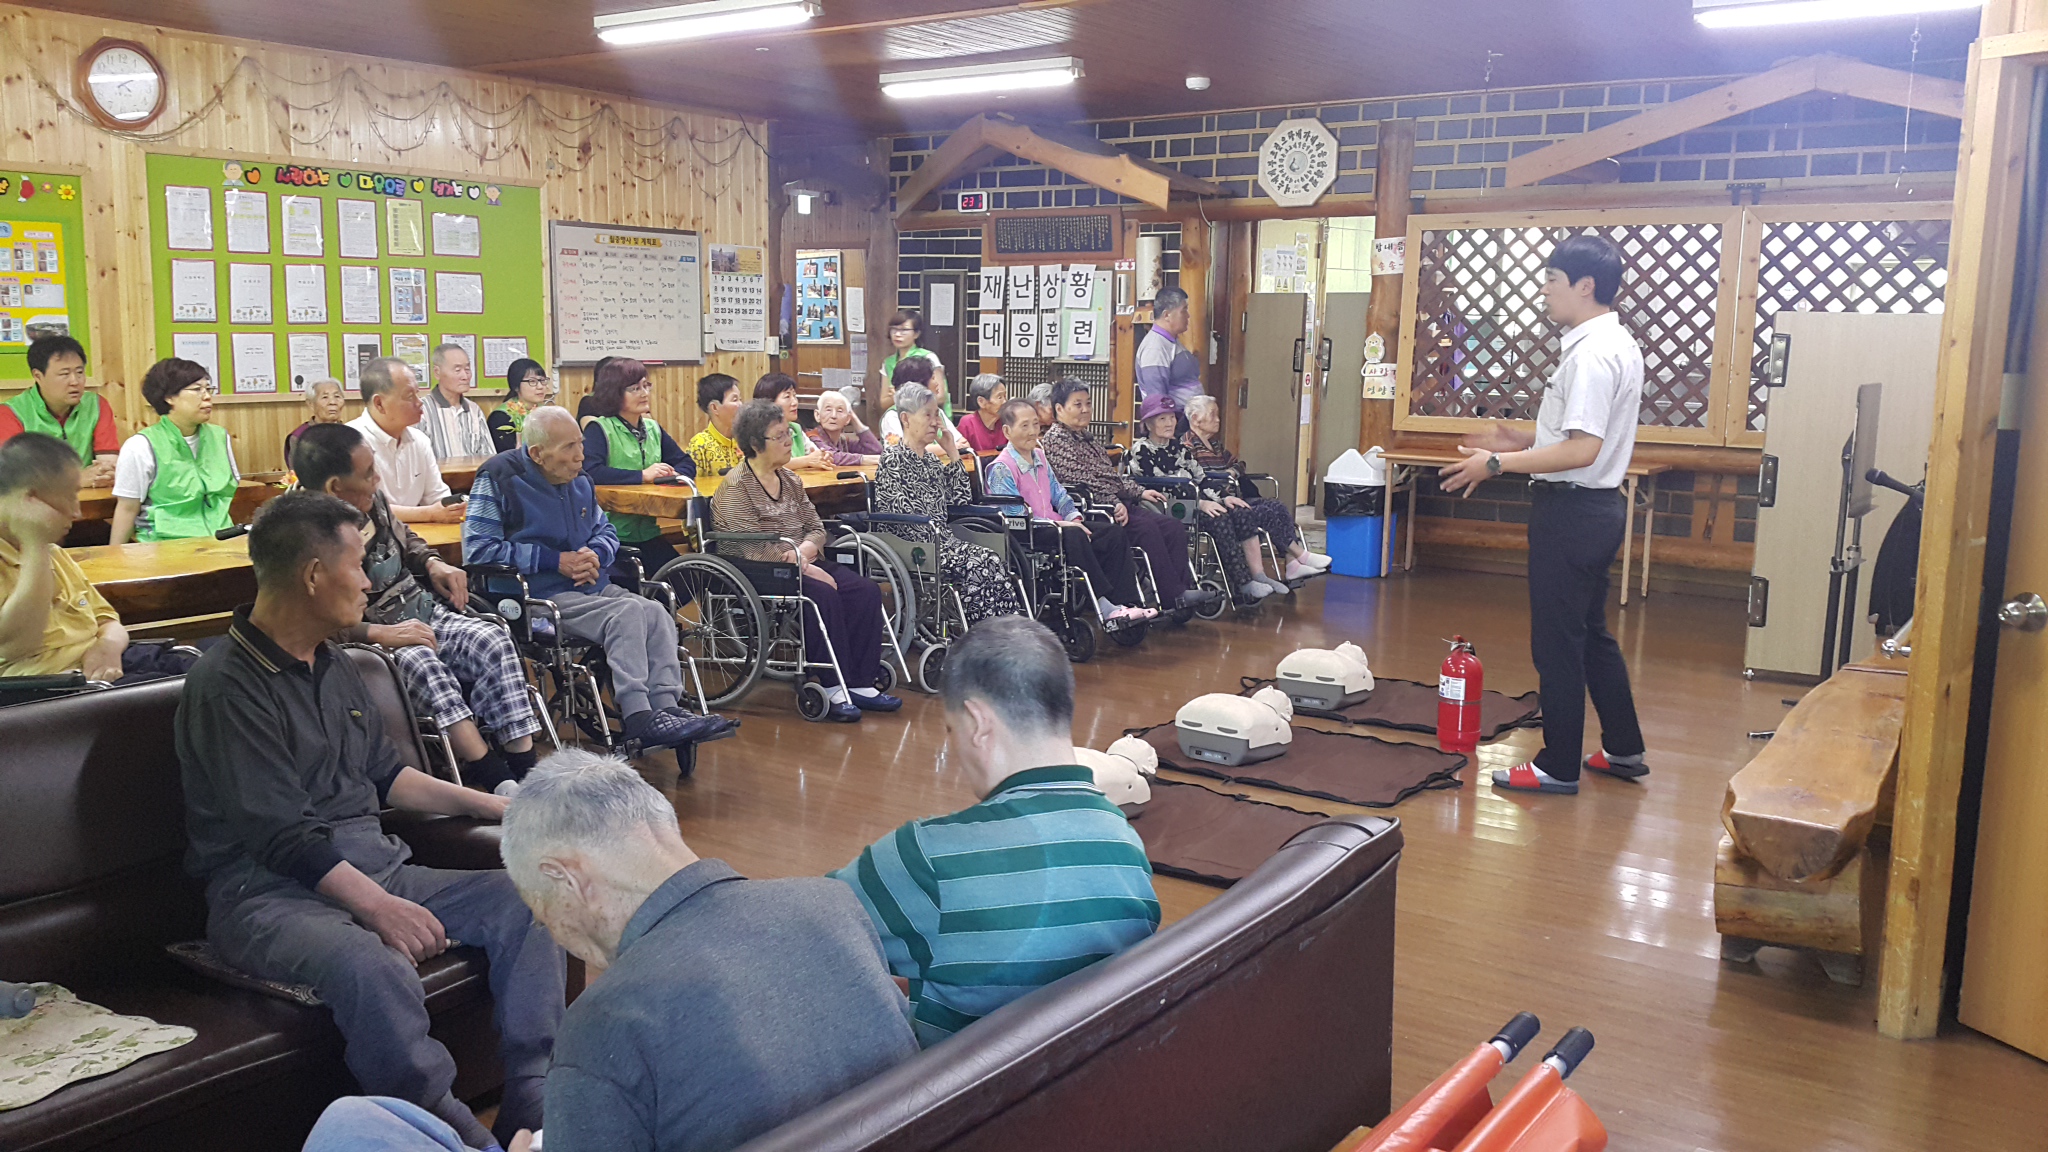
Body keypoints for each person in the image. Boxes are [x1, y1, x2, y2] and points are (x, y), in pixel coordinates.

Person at [176, 490, 566, 1152]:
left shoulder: (337, 664)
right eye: (358, 564)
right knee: (371, 963)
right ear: (313, 574)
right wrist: (381, 909)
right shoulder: (225, 684)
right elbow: (283, 838)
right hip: (266, 896)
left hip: (376, 865)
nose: (369, 581)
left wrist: (499, 805)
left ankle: (532, 1091)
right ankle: (453, 1134)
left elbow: (388, 777)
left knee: (533, 899)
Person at [492, 750, 918, 1152]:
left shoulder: (605, 1023)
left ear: (564, 876)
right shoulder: (832, 905)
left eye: (541, 912)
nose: (553, 931)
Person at [833, 616, 1159, 1047]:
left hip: (954, 1083)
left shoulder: (926, 859)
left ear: (977, 724)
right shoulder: (1124, 842)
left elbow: (805, 929)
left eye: (952, 731)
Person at [1438, 234, 1649, 796]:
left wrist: (1496, 462)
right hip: (1595, 510)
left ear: (1585, 286)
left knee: (1557, 643)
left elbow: (1583, 449)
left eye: (1552, 281)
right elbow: (1575, 434)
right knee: (1591, 634)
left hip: (1572, 512)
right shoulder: (1613, 342)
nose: (1544, 291)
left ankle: (1558, 765)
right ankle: (1624, 748)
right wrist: (1523, 438)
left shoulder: (1592, 354)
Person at [293, 423, 542, 793]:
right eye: (368, 473)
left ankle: (526, 769)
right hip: (366, 637)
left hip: (417, 607)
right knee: (421, 661)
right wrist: (381, 633)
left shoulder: (369, 500)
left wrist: (432, 563)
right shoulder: (301, 534)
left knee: (492, 639)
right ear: (334, 487)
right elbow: (313, 621)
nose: (377, 479)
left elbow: (405, 537)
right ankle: (492, 776)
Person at [466, 407, 731, 751]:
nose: (581, 455)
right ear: (538, 454)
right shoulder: (500, 477)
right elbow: (479, 550)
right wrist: (555, 561)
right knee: (627, 614)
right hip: (535, 598)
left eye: (580, 443)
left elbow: (605, 531)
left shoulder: (580, 481)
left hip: (591, 586)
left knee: (655, 611)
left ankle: (667, 709)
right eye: (569, 448)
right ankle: (638, 716)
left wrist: (595, 554)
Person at [710, 401, 901, 723]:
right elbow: (751, 547)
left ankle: (859, 681)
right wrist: (804, 566)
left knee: (865, 590)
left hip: (799, 559)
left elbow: (815, 528)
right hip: (760, 570)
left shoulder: (791, 480)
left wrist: (805, 552)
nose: (789, 441)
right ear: (755, 443)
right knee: (822, 594)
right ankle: (830, 684)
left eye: (788, 433)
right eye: (780, 436)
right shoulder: (735, 487)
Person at [0, 432, 192, 682]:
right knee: (184, 693)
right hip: (51, 684)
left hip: (106, 662)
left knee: (208, 670)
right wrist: (35, 544)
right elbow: (18, 645)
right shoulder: (38, 552)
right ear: (30, 499)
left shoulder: (55, 554)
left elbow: (108, 621)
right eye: (70, 496)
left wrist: (108, 645)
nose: (77, 512)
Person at [1040, 377, 1214, 613]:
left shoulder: (1087, 437)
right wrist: (1113, 503)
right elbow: (1082, 481)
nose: (1085, 409)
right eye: (1077, 404)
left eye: (1088, 403)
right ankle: (1171, 595)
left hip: (1115, 502)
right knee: (1146, 529)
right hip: (1091, 508)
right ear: (1059, 409)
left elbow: (1111, 477)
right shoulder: (1056, 440)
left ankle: (1182, 591)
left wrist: (1140, 491)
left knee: (1172, 526)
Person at [984, 399, 1153, 628]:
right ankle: (1104, 606)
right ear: (1007, 431)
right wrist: (1065, 526)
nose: (1033, 431)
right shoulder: (1001, 468)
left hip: (1055, 527)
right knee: (1074, 535)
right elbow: (1016, 517)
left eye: (1035, 424)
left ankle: (1126, 603)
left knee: (1111, 533)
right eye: (1024, 426)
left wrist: (1073, 517)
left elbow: (1059, 494)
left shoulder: (1039, 456)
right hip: (1028, 532)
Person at [872, 383, 1021, 626]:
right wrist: (936, 537)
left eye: (936, 415)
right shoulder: (892, 459)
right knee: (979, 563)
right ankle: (981, 633)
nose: (935, 423)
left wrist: (952, 452)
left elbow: (960, 501)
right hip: (915, 546)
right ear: (905, 419)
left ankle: (1004, 630)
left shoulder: (931, 461)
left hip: (943, 542)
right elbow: (899, 514)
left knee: (993, 559)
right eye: (927, 415)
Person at [1127, 394, 1279, 603]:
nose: (1170, 423)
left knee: (1239, 511)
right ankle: (1243, 583)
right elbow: (1161, 486)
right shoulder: (1141, 450)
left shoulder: (1179, 448)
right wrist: (1199, 503)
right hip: (1168, 506)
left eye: (1172, 417)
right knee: (1219, 519)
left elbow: (1201, 478)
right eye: (1162, 419)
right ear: (1148, 424)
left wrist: (1224, 497)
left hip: (1194, 500)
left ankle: (1257, 576)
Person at [1180, 393, 1331, 579]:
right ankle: (1301, 555)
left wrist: (1231, 472)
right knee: (1264, 513)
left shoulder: (1215, 445)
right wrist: (1222, 478)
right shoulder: (1187, 447)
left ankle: (1292, 563)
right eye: (1213, 415)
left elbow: (1239, 465)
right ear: (1196, 419)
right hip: (1217, 503)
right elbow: (1196, 478)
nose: (1218, 419)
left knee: (1277, 506)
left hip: (1235, 497)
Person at [580, 357, 695, 581]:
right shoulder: (600, 428)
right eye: (634, 388)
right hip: (612, 535)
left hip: (648, 531)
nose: (644, 393)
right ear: (614, 392)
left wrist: (673, 476)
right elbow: (590, 472)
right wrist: (642, 476)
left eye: (646, 386)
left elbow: (686, 462)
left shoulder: (652, 428)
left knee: (688, 579)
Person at [109, 358, 239, 544]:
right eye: (197, 389)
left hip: (221, 540)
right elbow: (127, 509)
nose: (207, 397)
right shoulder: (141, 446)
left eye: (208, 389)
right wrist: (115, 556)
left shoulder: (220, 437)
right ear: (169, 397)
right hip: (164, 545)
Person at [349, 357, 466, 526]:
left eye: (418, 393)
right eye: (410, 396)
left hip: (415, 536)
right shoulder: (352, 442)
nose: (419, 402)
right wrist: (429, 514)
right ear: (379, 403)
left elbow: (437, 496)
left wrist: (456, 507)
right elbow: (363, 508)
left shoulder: (420, 440)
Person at [0, 334, 117, 485]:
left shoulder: (96, 405)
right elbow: (12, 477)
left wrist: (106, 474)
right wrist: (76, 479)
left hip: (90, 495)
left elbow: (109, 463)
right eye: (64, 374)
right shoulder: (11, 413)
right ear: (38, 376)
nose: (75, 381)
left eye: (79, 372)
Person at [1135, 286, 1203, 413]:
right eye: (1184, 310)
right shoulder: (1155, 347)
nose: (1188, 316)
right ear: (1167, 315)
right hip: (1176, 420)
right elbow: (1158, 399)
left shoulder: (1170, 341)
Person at [418, 344, 493, 460]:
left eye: (467, 369)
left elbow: (488, 457)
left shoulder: (474, 410)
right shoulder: (421, 410)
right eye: (457, 370)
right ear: (437, 372)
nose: (465, 376)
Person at [880, 357, 961, 453]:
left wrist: (952, 447)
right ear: (918, 385)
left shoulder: (937, 412)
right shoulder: (893, 416)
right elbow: (901, 451)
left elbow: (961, 443)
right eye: (932, 378)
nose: (936, 383)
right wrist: (948, 448)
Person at [753, 373, 832, 469]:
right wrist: (807, 460)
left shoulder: (795, 428)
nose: (794, 402)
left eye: (794, 396)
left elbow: (814, 454)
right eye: (787, 397)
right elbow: (769, 464)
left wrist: (823, 456)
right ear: (769, 402)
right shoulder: (760, 432)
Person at [878, 310, 944, 412]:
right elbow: (883, 403)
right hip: (899, 417)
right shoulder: (888, 362)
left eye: (904, 330)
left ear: (916, 334)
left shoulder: (929, 357)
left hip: (929, 416)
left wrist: (899, 396)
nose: (897, 334)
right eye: (894, 329)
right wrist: (896, 397)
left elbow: (940, 397)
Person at [685, 373, 745, 478]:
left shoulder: (744, 441)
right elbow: (691, 484)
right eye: (735, 400)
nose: (741, 405)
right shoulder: (700, 445)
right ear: (715, 408)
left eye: (740, 399)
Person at [488, 358, 554, 454]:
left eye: (542, 380)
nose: (540, 386)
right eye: (532, 381)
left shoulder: (546, 412)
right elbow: (505, 456)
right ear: (516, 386)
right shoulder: (501, 417)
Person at [285, 378, 348, 467]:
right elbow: (296, 472)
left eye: (337, 396)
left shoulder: (350, 433)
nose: (333, 402)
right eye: (325, 397)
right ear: (311, 404)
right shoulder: (300, 437)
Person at [810, 389, 883, 466]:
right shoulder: (812, 438)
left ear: (848, 418)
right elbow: (832, 457)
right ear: (817, 415)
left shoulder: (843, 441)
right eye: (828, 410)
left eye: (839, 411)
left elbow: (876, 450)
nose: (833, 416)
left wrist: (854, 419)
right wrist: (866, 459)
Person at [954, 373, 1010, 453]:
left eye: (1005, 396)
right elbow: (961, 455)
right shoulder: (968, 424)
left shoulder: (1007, 422)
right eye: (999, 397)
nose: (1004, 401)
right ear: (981, 402)